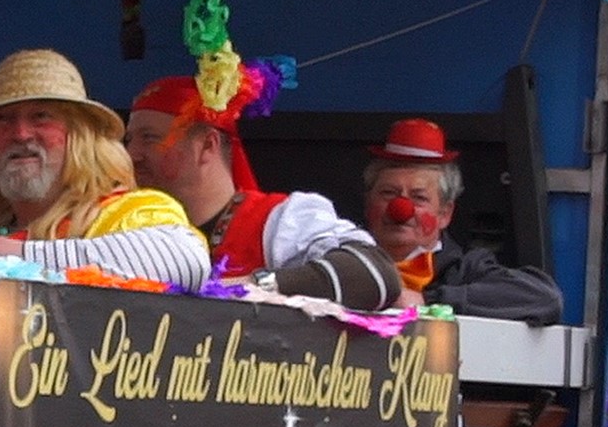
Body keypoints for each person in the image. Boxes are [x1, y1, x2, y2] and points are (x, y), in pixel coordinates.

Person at [124, 76, 399, 309]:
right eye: (129, 140)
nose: (131, 154)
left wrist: (251, 287)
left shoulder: (277, 221)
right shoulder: (122, 227)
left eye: (150, 137)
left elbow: (375, 274)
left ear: (208, 145)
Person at [0, 49, 210, 285]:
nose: (21, 134)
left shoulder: (123, 212)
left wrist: (26, 257)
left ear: (80, 136)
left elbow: (186, 260)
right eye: (3, 120)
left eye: (41, 116)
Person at [359, 119, 563, 323]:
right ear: (368, 205)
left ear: (445, 214)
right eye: (388, 193)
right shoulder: (341, 263)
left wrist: (429, 302)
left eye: (419, 197)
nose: (401, 208)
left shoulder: (465, 270)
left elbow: (546, 298)